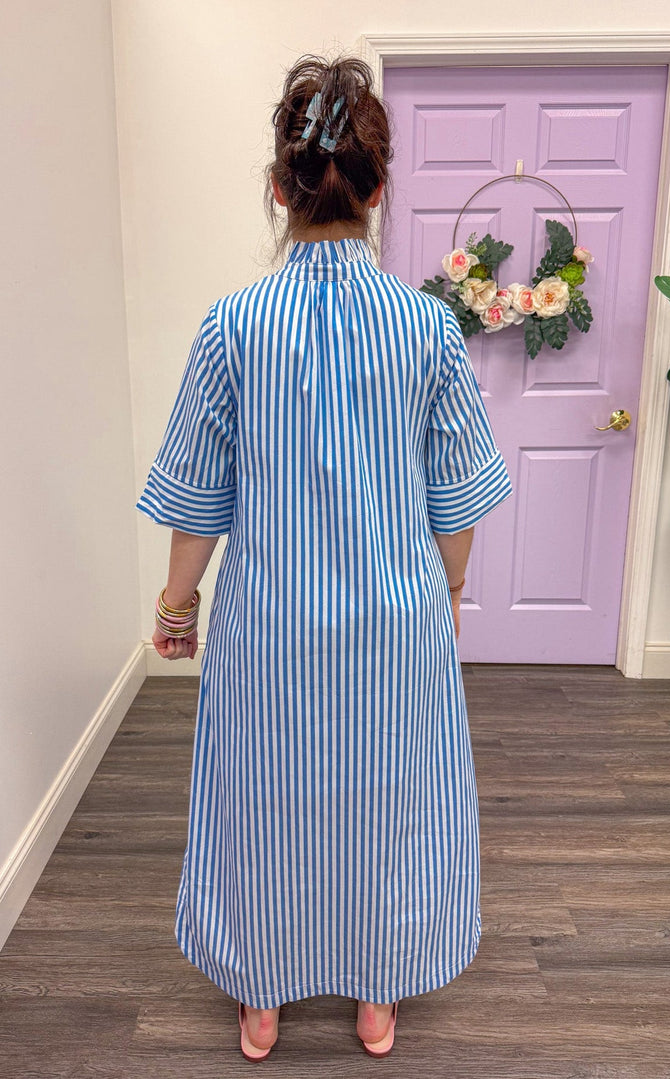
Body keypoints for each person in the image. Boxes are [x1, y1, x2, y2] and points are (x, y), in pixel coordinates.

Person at [136, 53, 512, 1062]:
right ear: (379, 188)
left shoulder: (232, 327)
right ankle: (378, 992)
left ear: (277, 187)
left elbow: (197, 500)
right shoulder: (429, 327)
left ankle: (262, 993)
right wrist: (453, 587)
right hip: (397, 618)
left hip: (268, 620)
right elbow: (461, 492)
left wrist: (177, 607)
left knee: (261, 798)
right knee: (394, 796)